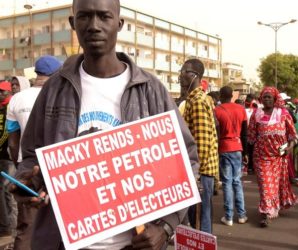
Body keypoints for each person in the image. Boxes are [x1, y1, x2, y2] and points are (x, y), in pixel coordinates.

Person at [11, 0, 199, 249]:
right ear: (73, 23)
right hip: (65, 242)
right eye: (85, 17)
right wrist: (28, 182)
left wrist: (165, 227)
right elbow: (31, 156)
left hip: (134, 244)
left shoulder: (151, 90)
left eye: (104, 17)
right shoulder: (54, 89)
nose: (94, 26)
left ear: (119, 23)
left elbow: (186, 161)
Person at [6, 55, 62, 250]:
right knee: (60, 225)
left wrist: (21, 165)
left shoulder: (17, 98)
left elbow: (13, 141)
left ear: (36, 73)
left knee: (26, 226)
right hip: (58, 166)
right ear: (56, 73)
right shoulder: (60, 94)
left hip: (28, 169)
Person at [248, 87, 298, 228]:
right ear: (261, 99)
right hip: (261, 156)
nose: (267, 99)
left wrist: (288, 148)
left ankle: (273, 206)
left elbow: (293, 136)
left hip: (278, 157)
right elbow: (251, 136)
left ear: (275, 99)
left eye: (269, 97)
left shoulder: (283, 114)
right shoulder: (256, 114)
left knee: (275, 184)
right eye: (264, 97)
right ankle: (266, 213)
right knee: (265, 184)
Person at [179, 58, 218, 234]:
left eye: (184, 71)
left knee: (201, 221)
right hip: (201, 172)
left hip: (201, 173)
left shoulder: (198, 101)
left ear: (195, 75)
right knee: (200, 219)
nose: (180, 76)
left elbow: (201, 143)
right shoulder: (194, 99)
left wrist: (196, 175)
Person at [214, 86, 248, 226]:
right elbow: (245, 132)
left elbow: (215, 132)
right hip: (238, 148)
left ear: (221, 96)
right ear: (232, 96)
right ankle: (241, 215)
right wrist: (245, 152)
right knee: (237, 182)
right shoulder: (241, 109)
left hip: (224, 148)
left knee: (227, 182)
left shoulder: (216, 111)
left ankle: (228, 217)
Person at [0, 81, 17, 240]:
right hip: (1, 156)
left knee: (6, 191)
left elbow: (8, 132)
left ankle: (9, 227)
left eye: (2, 91)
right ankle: (6, 226)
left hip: (8, 157)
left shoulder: (10, 107)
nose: (0, 94)